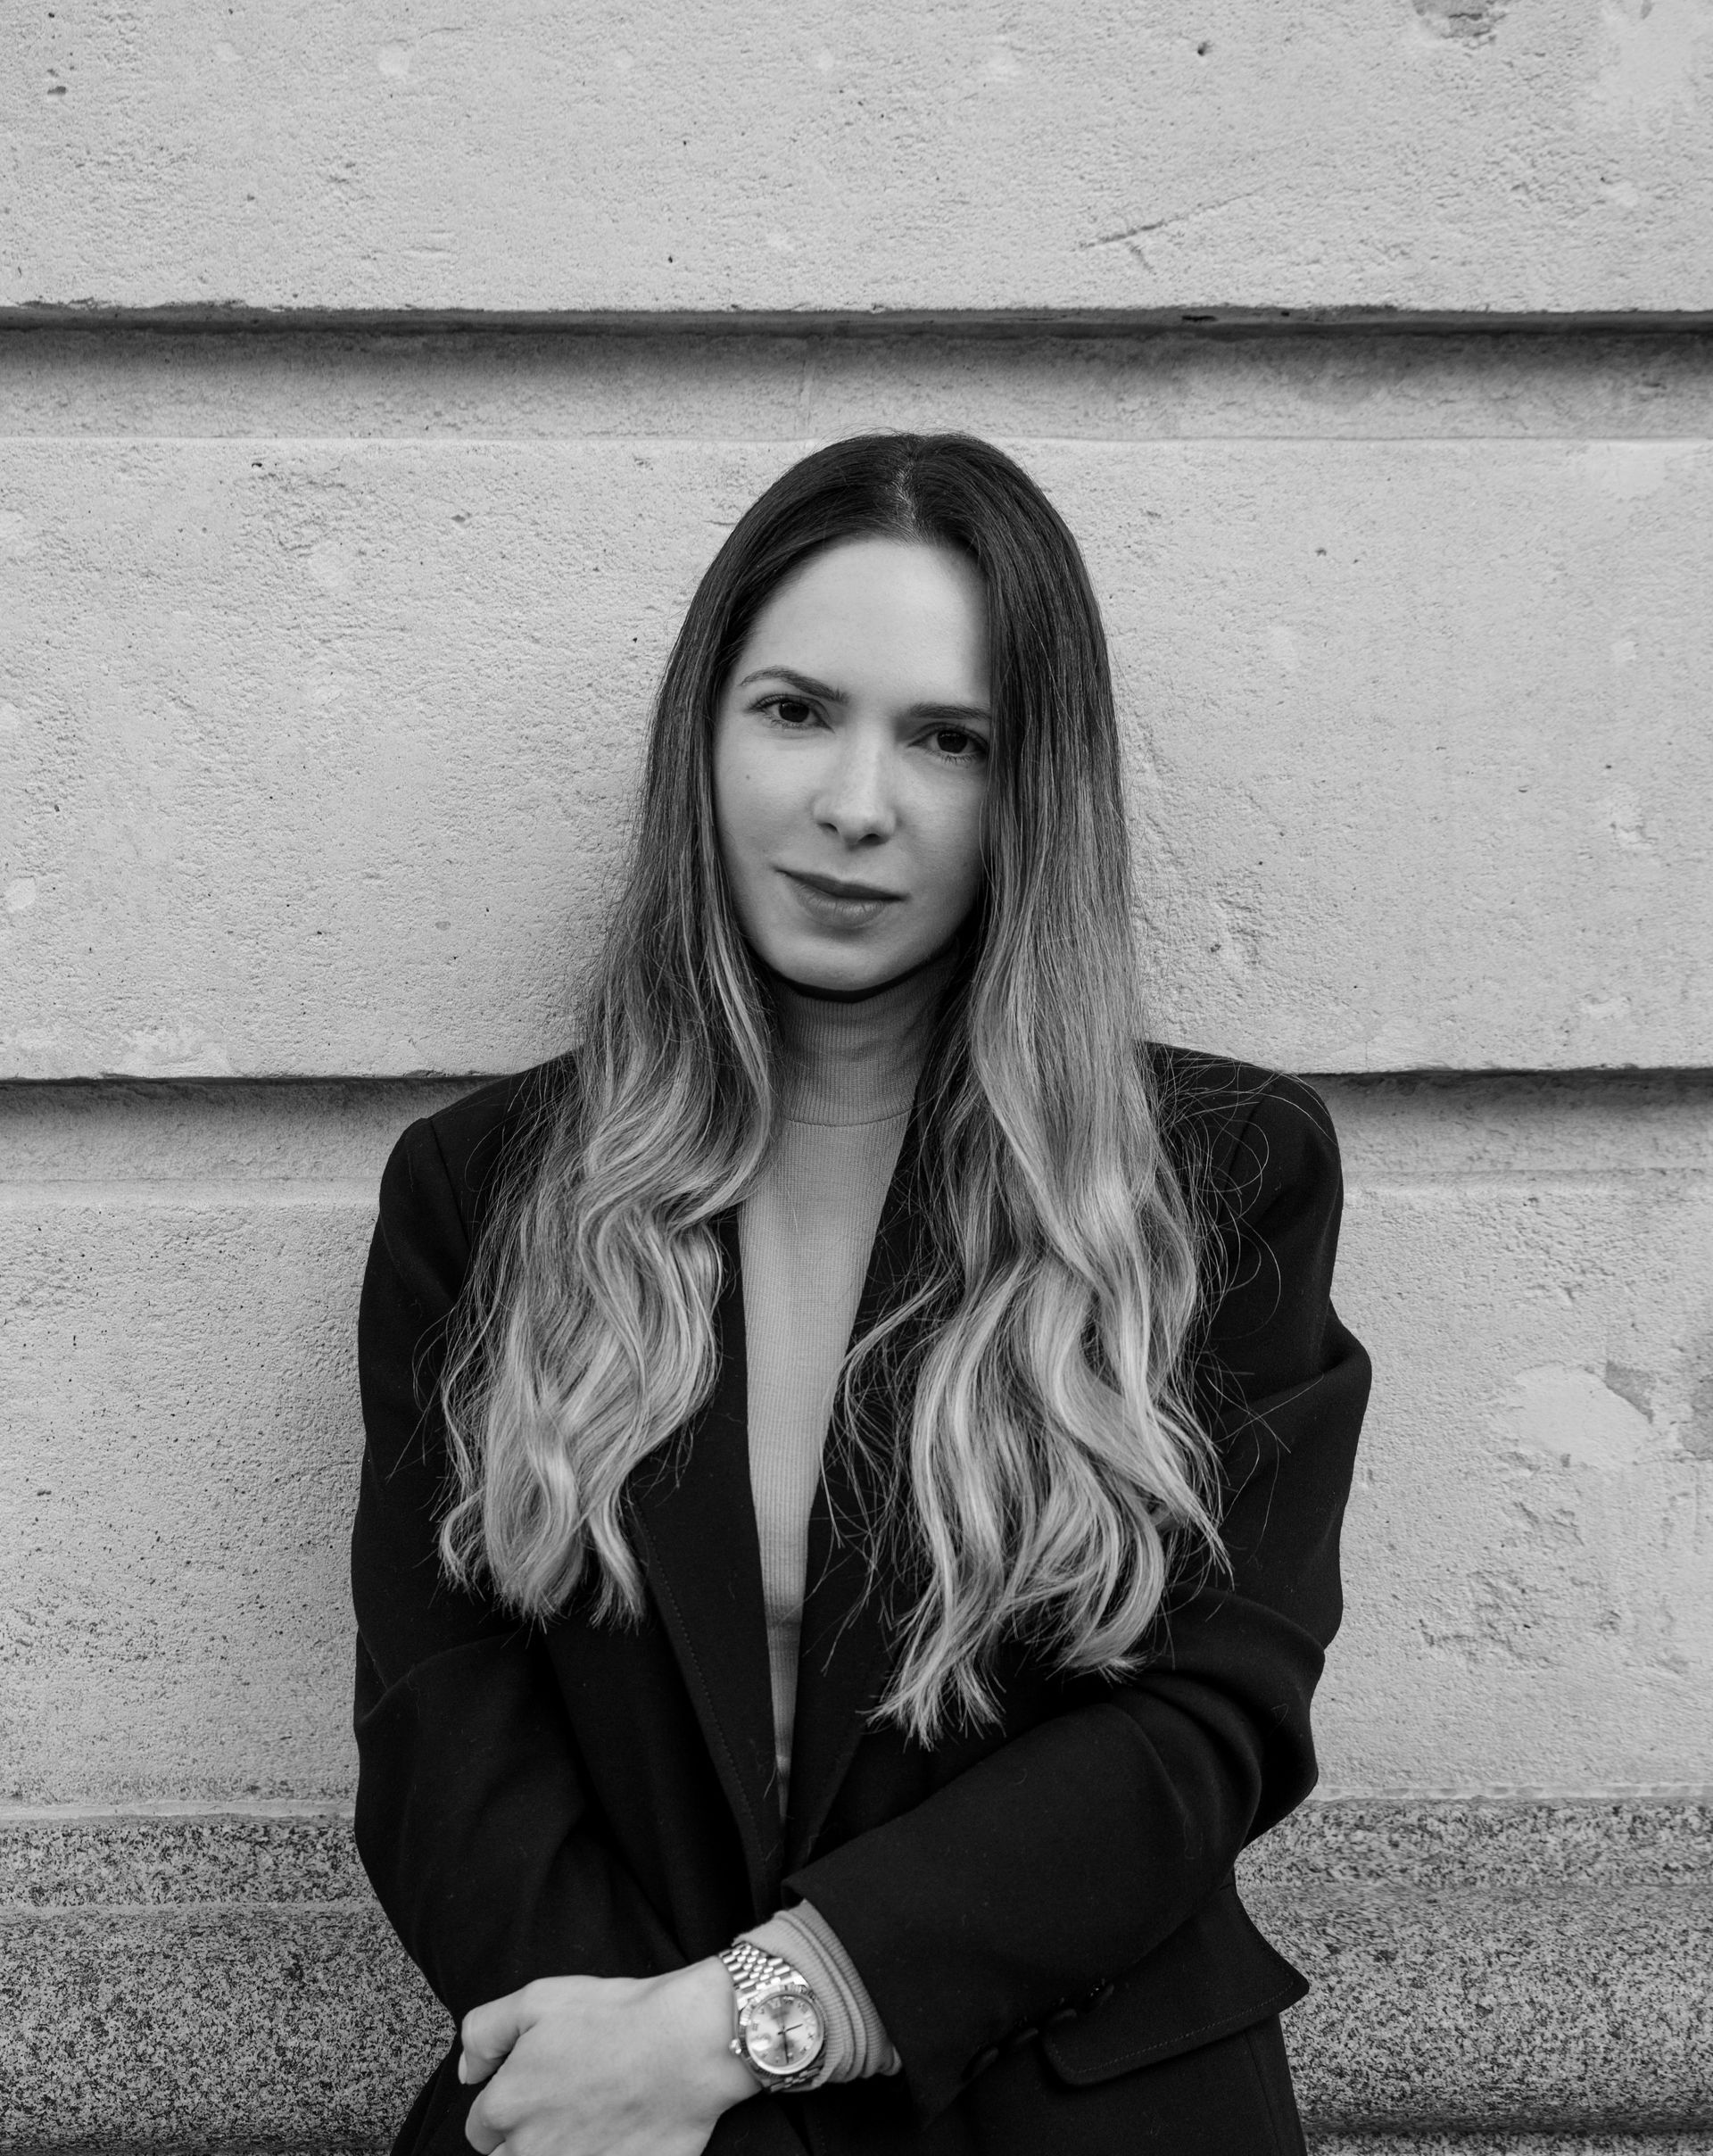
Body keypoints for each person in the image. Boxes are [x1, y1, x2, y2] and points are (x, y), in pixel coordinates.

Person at [352, 432, 1371, 2156]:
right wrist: (659, 2086)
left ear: (1032, 787)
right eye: (797, 710)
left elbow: (1209, 1726)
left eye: (949, 740)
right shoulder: (486, 1192)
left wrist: (756, 2025)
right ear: (705, 735)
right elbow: (444, 1734)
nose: (856, 804)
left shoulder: (1217, 1176)